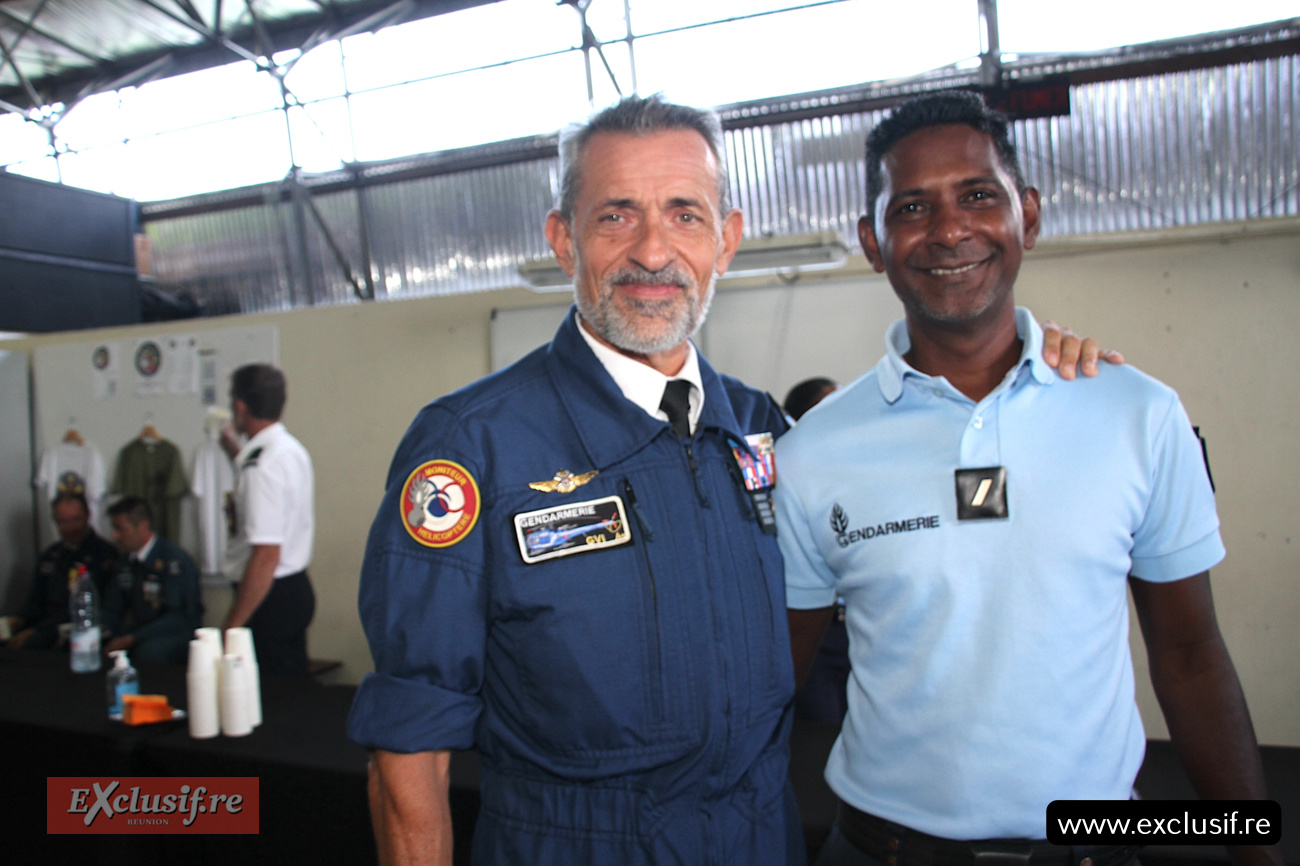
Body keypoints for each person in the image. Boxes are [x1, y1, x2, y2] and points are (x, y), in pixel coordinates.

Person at [348, 94, 1107, 866]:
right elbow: (411, 746)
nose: (652, 252)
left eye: (685, 214)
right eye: (615, 216)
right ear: (563, 240)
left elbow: (923, 505)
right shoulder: (472, 447)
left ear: (727, 239)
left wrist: (1028, 368)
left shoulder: (765, 430)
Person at [777, 91, 1279, 866]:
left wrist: (1256, 853)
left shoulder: (1138, 414)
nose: (950, 229)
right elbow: (781, 681)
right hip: (882, 850)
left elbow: (1190, 656)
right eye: (911, 205)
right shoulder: (814, 452)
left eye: (979, 194)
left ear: (1029, 218)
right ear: (872, 242)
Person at [220, 363, 316, 677]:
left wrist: (232, 626)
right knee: (290, 695)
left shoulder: (262, 466)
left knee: (269, 700)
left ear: (240, 406)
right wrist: (236, 454)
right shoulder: (288, 449)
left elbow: (265, 555)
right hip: (292, 588)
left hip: (268, 598)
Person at [783, 377, 850, 726]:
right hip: (816, 633)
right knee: (822, 728)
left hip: (862, 630)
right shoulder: (794, 476)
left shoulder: (870, 468)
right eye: (828, 405)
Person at [5, 493, 119, 651]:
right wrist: (20, 619)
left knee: (30, 647)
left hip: (74, 626)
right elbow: (35, 599)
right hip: (42, 623)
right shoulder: (50, 555)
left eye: (75, 520)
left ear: (88, 516)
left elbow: (89, 607)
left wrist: (37, 631)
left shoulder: (104, 555)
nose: (70, 528)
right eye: (63, 522)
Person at [102, 496, 203, 664]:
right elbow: (113, 607)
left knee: (148, 653)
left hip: (175, 632)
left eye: (120, 529)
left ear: (143, 526)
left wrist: (131, 638)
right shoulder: (126, 562)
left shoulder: (173, 561)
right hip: (140, 630)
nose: (115, 536)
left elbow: (178, 617)